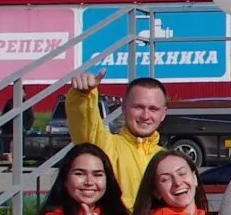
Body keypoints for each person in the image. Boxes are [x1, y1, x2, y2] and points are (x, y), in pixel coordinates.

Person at [66, 70, 167, 201]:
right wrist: (83, 96)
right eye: (138, 107)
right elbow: (86, 124)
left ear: (163, 113)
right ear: (124, 108)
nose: (145, 116)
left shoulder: (167, 159)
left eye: (153, 109)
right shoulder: (104, 146)